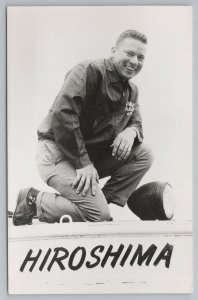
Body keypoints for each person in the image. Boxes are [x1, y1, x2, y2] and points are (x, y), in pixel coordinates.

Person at [13, 29, 154, 226]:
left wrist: (131, 131)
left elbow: (137, 123)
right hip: (57, 153)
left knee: (144, 153)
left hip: (87, 158)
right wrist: (83, 164)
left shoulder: (131, 91)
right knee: (99, 216)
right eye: (129, 53)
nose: (134, 61)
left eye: (140, 57)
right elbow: (63, 116)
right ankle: (32, 200)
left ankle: (96, 204)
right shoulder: (88, 70)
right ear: (113, 51)